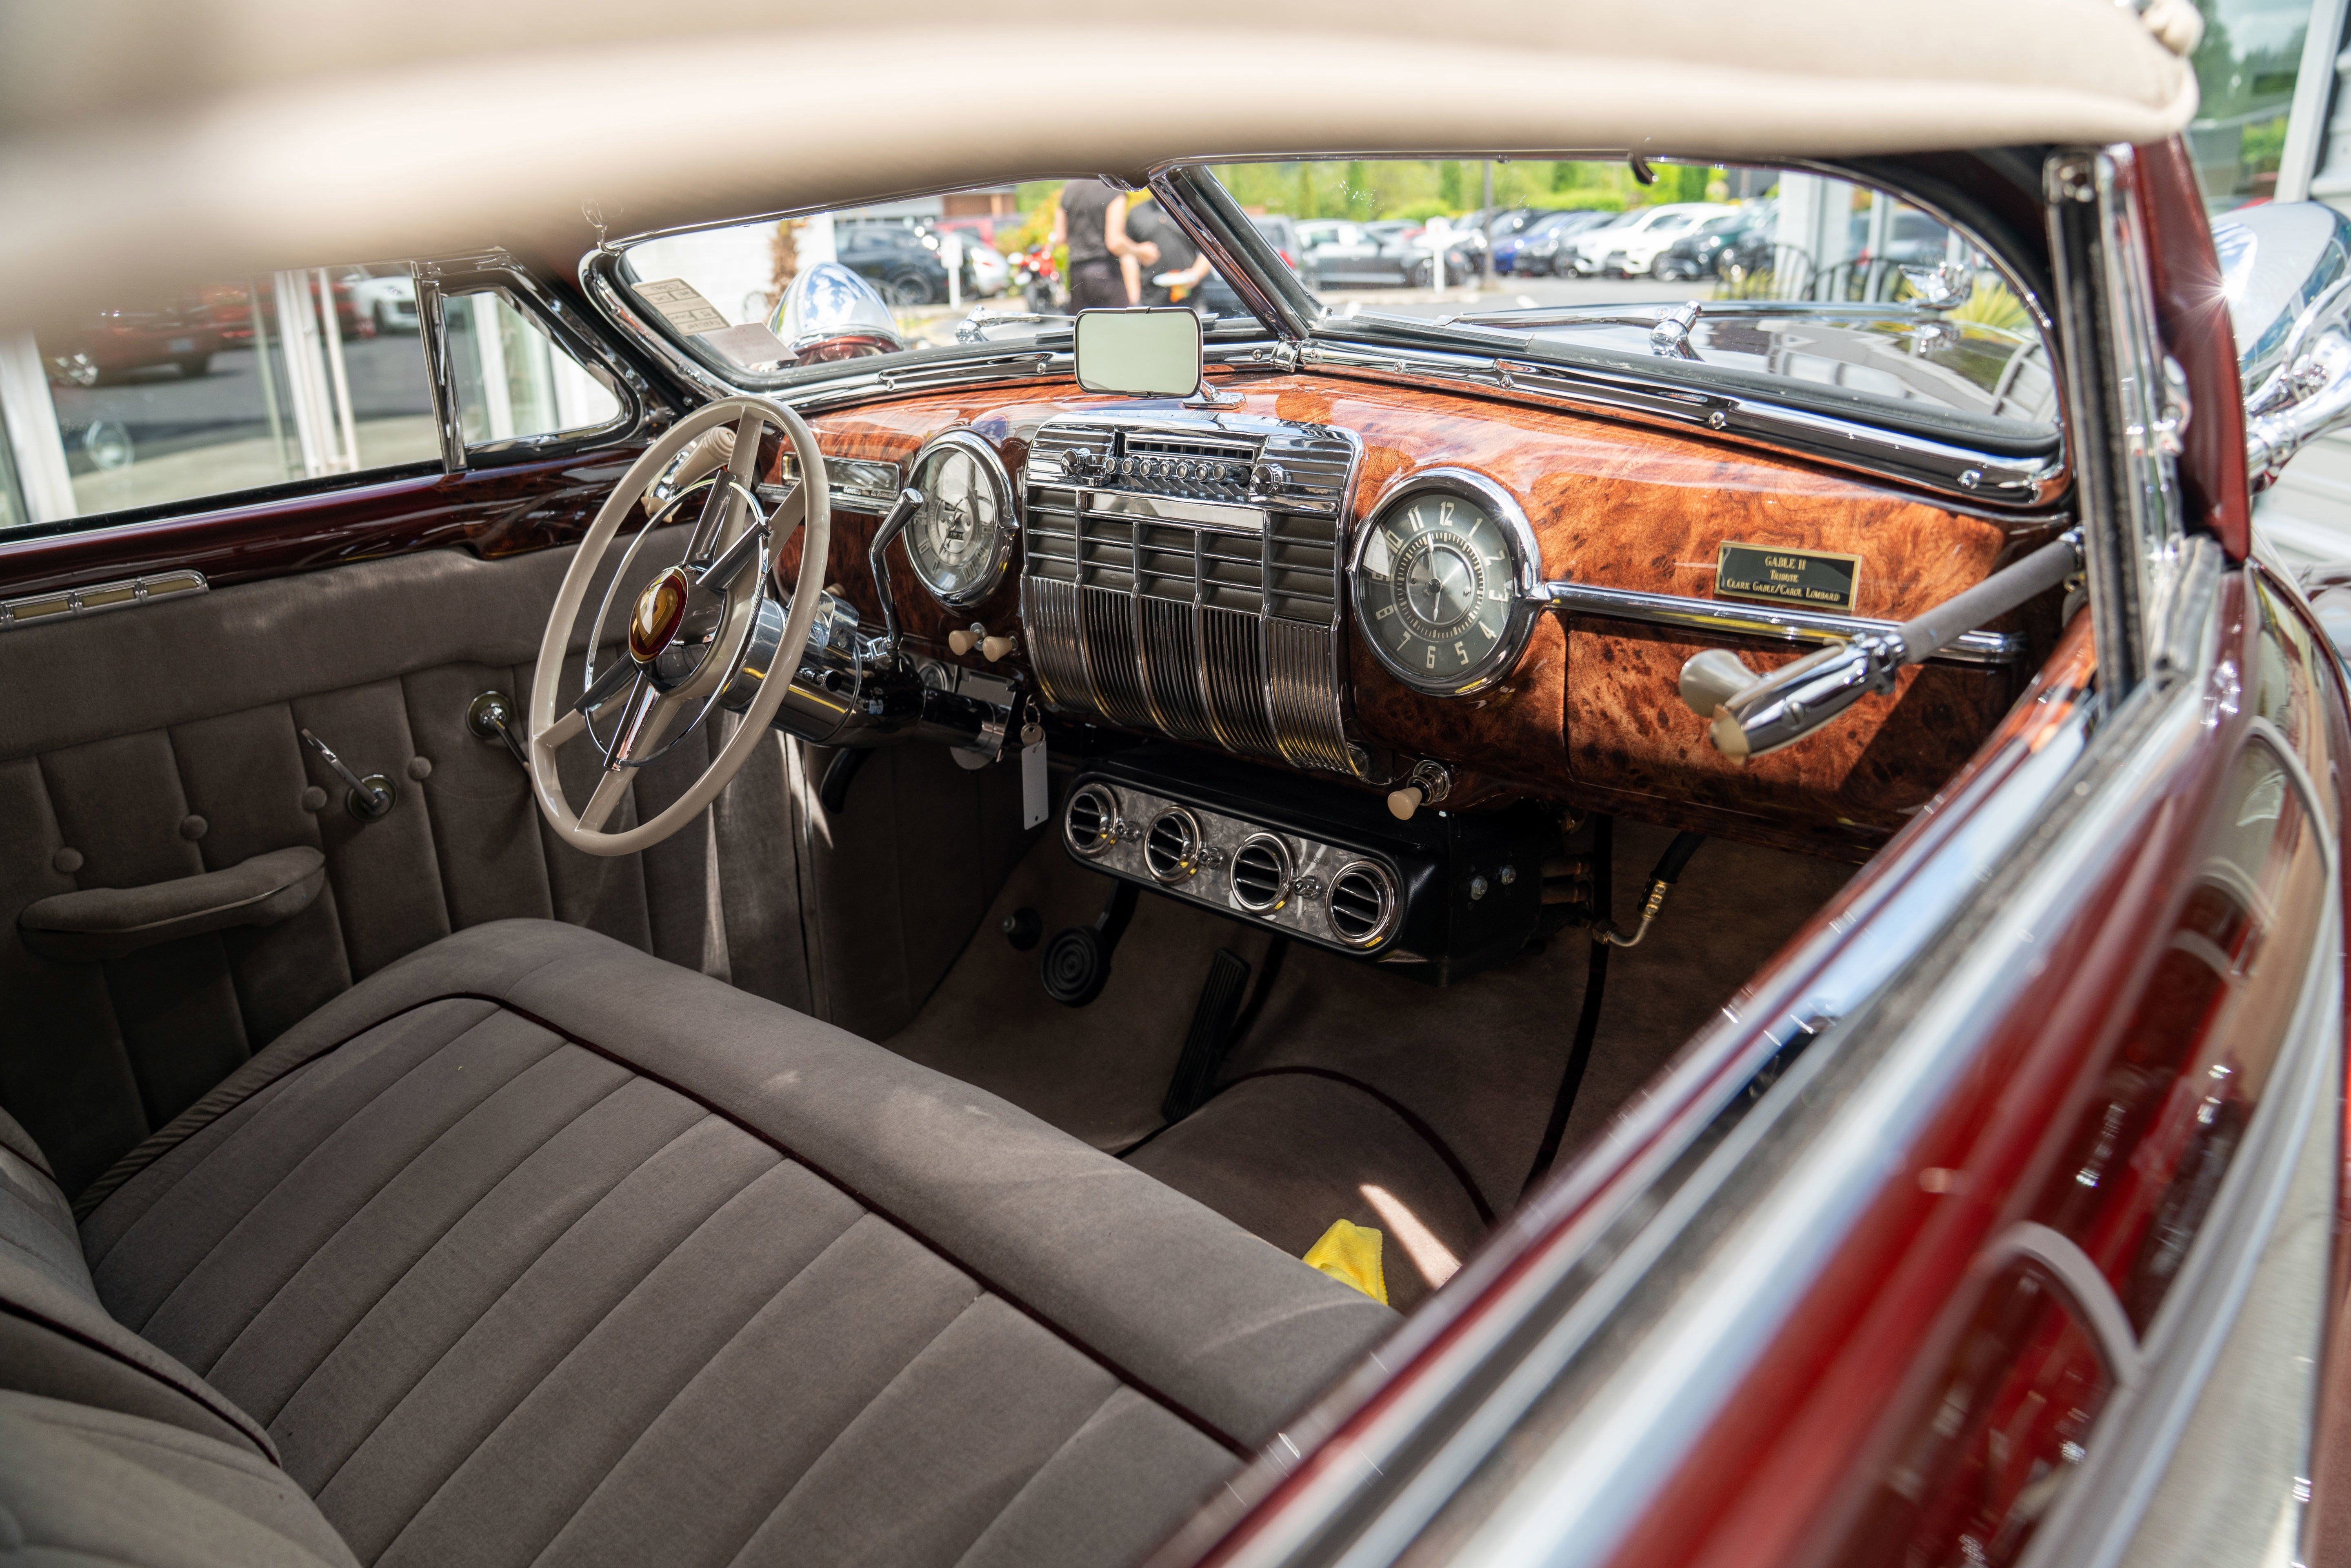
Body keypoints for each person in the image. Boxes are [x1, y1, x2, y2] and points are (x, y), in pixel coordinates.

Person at [1052, 177, 1160, 309]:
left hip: (1076, 274)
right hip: (1105, 273)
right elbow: (1114, 242)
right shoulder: (1113, 188)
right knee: (1117, 326)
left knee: (1083, 326)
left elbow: (1060, 238)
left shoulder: (1069, 188)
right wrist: (1140, 251)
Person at [1124, 194, 1214, 308]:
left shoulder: (1190, 210)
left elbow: (1209, 248)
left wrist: (1196, 274)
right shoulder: (1137, 213)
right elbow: (1128, 258)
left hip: (1191, 302)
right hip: (1150, 303)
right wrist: (1135, 300)